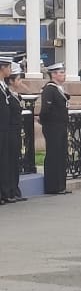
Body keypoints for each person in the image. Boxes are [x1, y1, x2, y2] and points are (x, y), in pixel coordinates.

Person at [39, 63, 71, 195]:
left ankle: (60, 185)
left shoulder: (59, 89)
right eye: (61, 72)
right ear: (53, 74)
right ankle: (53, 186)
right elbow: (46, 110)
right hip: (53, 126)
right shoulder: (49, 89)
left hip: (61, 126)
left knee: (61, 155)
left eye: (63, 72)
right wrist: (46, 122)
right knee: (54, 155)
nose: (63, 75)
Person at [0, 55, 23, 204]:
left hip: (6, 130)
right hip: (2, 129)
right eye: (8, 67)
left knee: (6, 162)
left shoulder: (3, 87)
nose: (10, 70)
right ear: (2, 68)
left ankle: (6, 192)